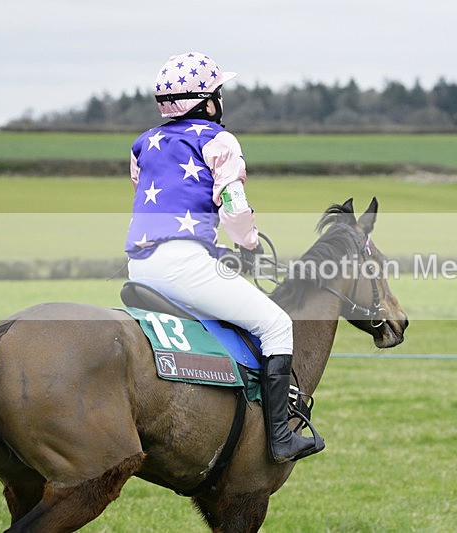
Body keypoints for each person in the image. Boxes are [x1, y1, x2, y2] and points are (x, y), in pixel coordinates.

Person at [124, 51, 323, 463]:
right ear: (205, 102)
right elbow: (232, 205)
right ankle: (280, 437)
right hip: (184, 265)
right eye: (217, 93)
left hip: (140, 265)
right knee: (275, 324)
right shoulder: (219, 141)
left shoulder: (143, 144)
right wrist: (248, 244)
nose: (221, 100)